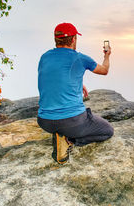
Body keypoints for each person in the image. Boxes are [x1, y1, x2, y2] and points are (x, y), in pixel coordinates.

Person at [37, 22, 114, 164]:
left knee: (63, 122)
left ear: (56, 39)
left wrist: (78, 84)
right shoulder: (79, 58)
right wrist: (107, 56)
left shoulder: (44, 57)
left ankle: (60, 135)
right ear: (73, 39)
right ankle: (69, 139)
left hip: (44, 121)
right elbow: (104, 70)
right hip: (71, 123)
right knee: (107, 130)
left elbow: (54, 78)